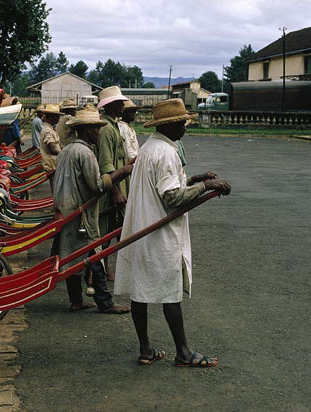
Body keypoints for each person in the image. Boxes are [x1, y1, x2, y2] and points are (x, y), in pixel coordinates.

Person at [114, 98, 231, 366]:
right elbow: (172, 197)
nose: (185, 128)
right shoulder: (166, 153)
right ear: (169, 125)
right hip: (159, 233)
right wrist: (206, 187)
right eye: (182, 123)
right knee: (170, 291)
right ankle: (184, 352)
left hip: (143, 227)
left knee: (140, 290)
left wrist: (196, 178)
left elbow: (167, 185)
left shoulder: (151, 147)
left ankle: (146, 350)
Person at [53, 106, 133, 314]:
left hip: (66, 210)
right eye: (96, 129)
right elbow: (97, 186)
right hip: (81, 215)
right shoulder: (85, 153)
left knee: (70, 255)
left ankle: (76, 300)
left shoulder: (67, 151)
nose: (99, 132)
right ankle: (105, 302)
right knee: (95, 256)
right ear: (88, 130)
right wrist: (122, 172)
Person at [96, 86, 131, 281]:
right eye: (119, 103)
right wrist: (116, 192)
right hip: (111, 189)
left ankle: (104, 270)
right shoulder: (108, 129)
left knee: (111, 231)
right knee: (105, 233)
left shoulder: (113, 126)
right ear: (111, 106)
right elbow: (106, 165)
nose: (122, 106)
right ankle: (100, 272)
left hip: (117, 186)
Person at [38, 104, 64, 192]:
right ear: (50, 117)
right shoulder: (47, 130)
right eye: (57, 116)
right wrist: (64, 153)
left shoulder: (51, 129)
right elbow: (53, 148)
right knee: (56, 192)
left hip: (55, 165)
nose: (59, 118)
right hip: (52, 166)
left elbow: (58, 144)